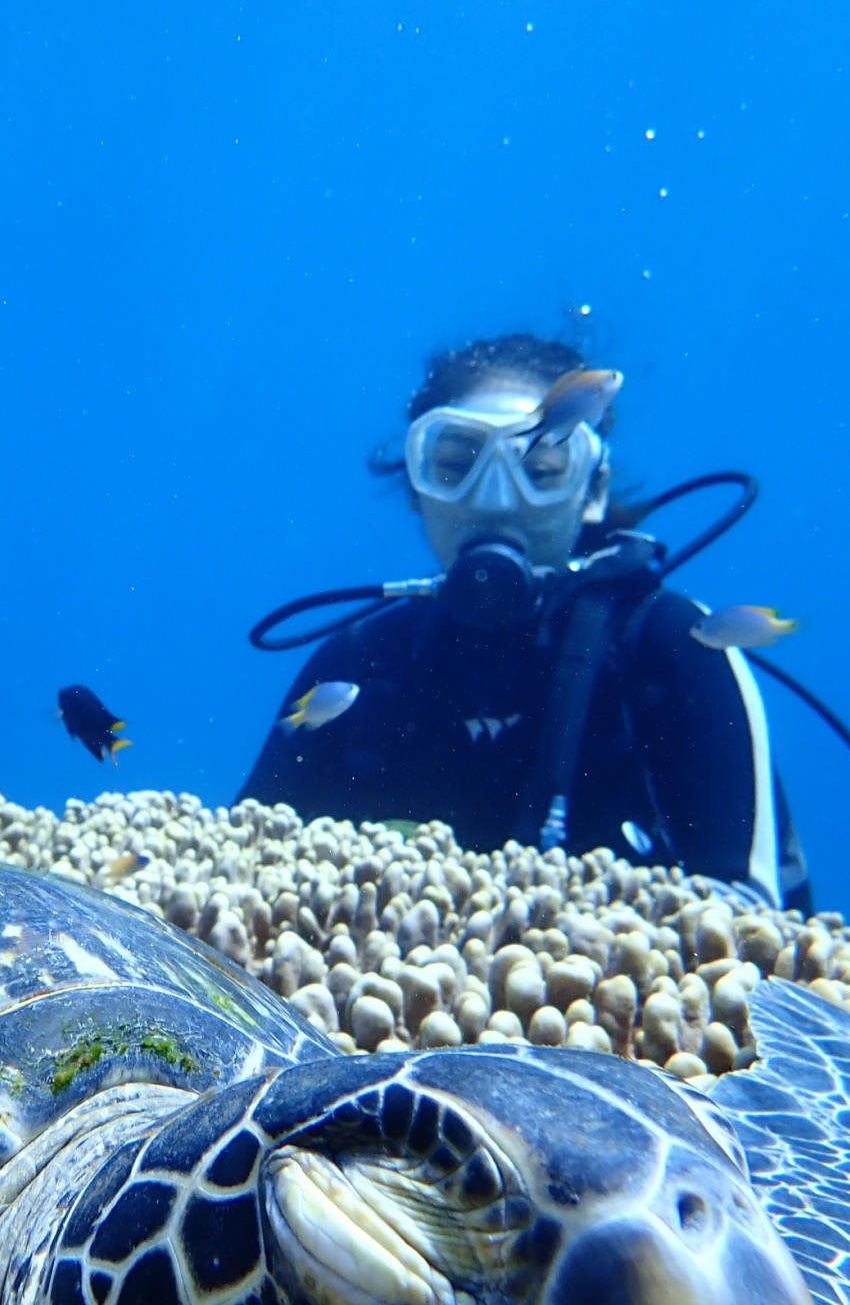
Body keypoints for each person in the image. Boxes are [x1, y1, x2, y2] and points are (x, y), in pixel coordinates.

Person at [240, 333, 808, 908]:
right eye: (455, 466)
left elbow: (751, 921)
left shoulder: (674, 645)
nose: (493, 502)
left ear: (593, 491)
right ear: (416, 488)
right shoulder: (357, 659)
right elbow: (245, 861)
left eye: (539, 470)